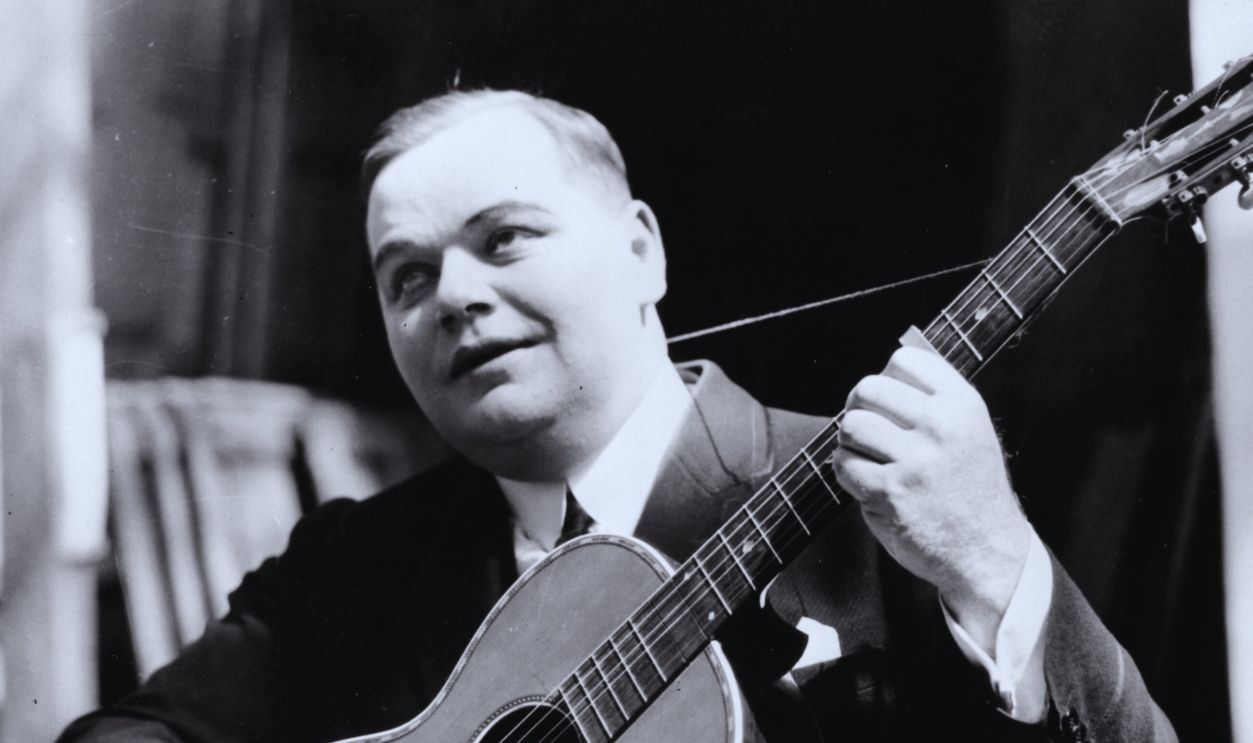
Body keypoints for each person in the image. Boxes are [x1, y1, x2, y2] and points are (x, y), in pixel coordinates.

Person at [60, 90, 1176, 742]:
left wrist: (997, 563)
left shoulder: (888, 503)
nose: (451, 294)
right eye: (406, 277)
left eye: (503, 239)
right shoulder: (358, 562)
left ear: (641, 247)